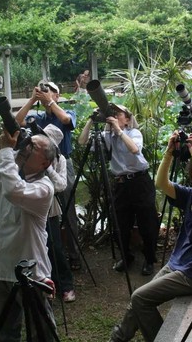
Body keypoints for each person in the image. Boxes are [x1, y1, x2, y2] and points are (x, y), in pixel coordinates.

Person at [109, 132, 192, 342]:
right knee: (140, 298)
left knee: (140, 297)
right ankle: (119, 338)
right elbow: (161, 183)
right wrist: (169, 152)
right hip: (179, 263)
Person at [0, 129, 58, 341]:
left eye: (34, 148)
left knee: (41, 331)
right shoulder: (7, 172)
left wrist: (6, 152)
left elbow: (15, 191)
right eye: (27, 143)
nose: (26, 148)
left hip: (30, 273)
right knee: (1, 328)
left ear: (45, 164)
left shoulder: (44, 188)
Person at [78, 104, 159, 276]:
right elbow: (82, 141)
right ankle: (126, 256)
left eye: (119, 114)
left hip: (140, 181)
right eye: (112, 113)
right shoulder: (107, 136)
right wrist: (91, 121)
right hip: (121, 184)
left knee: (147, 223)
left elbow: (135, 149)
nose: (114, 116)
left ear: (127, 120)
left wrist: (118, 130)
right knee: (120, 223)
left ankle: (150, 259)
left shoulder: (133, 133)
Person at [15, 81, 81, 271]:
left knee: (68, 211)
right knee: (46, 214)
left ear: (57, 95)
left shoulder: (66, 113)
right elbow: (18, 121)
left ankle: (74, 255)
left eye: (49, 90)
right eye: (41, 90)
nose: (44, 93)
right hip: (39, 168)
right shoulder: (38, 117)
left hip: (62, 164)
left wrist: (50, 102)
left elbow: (67, 121)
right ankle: (48, 257)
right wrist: (32, 99)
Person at [42, 124, 77, 303]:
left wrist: (47, 168)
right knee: (38, 248)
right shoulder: (29, 153)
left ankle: (65, 285)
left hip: (49, 208)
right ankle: (45, 284)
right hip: (30, 206)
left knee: (55, 246)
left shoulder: (60, 159)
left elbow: (61, 185)